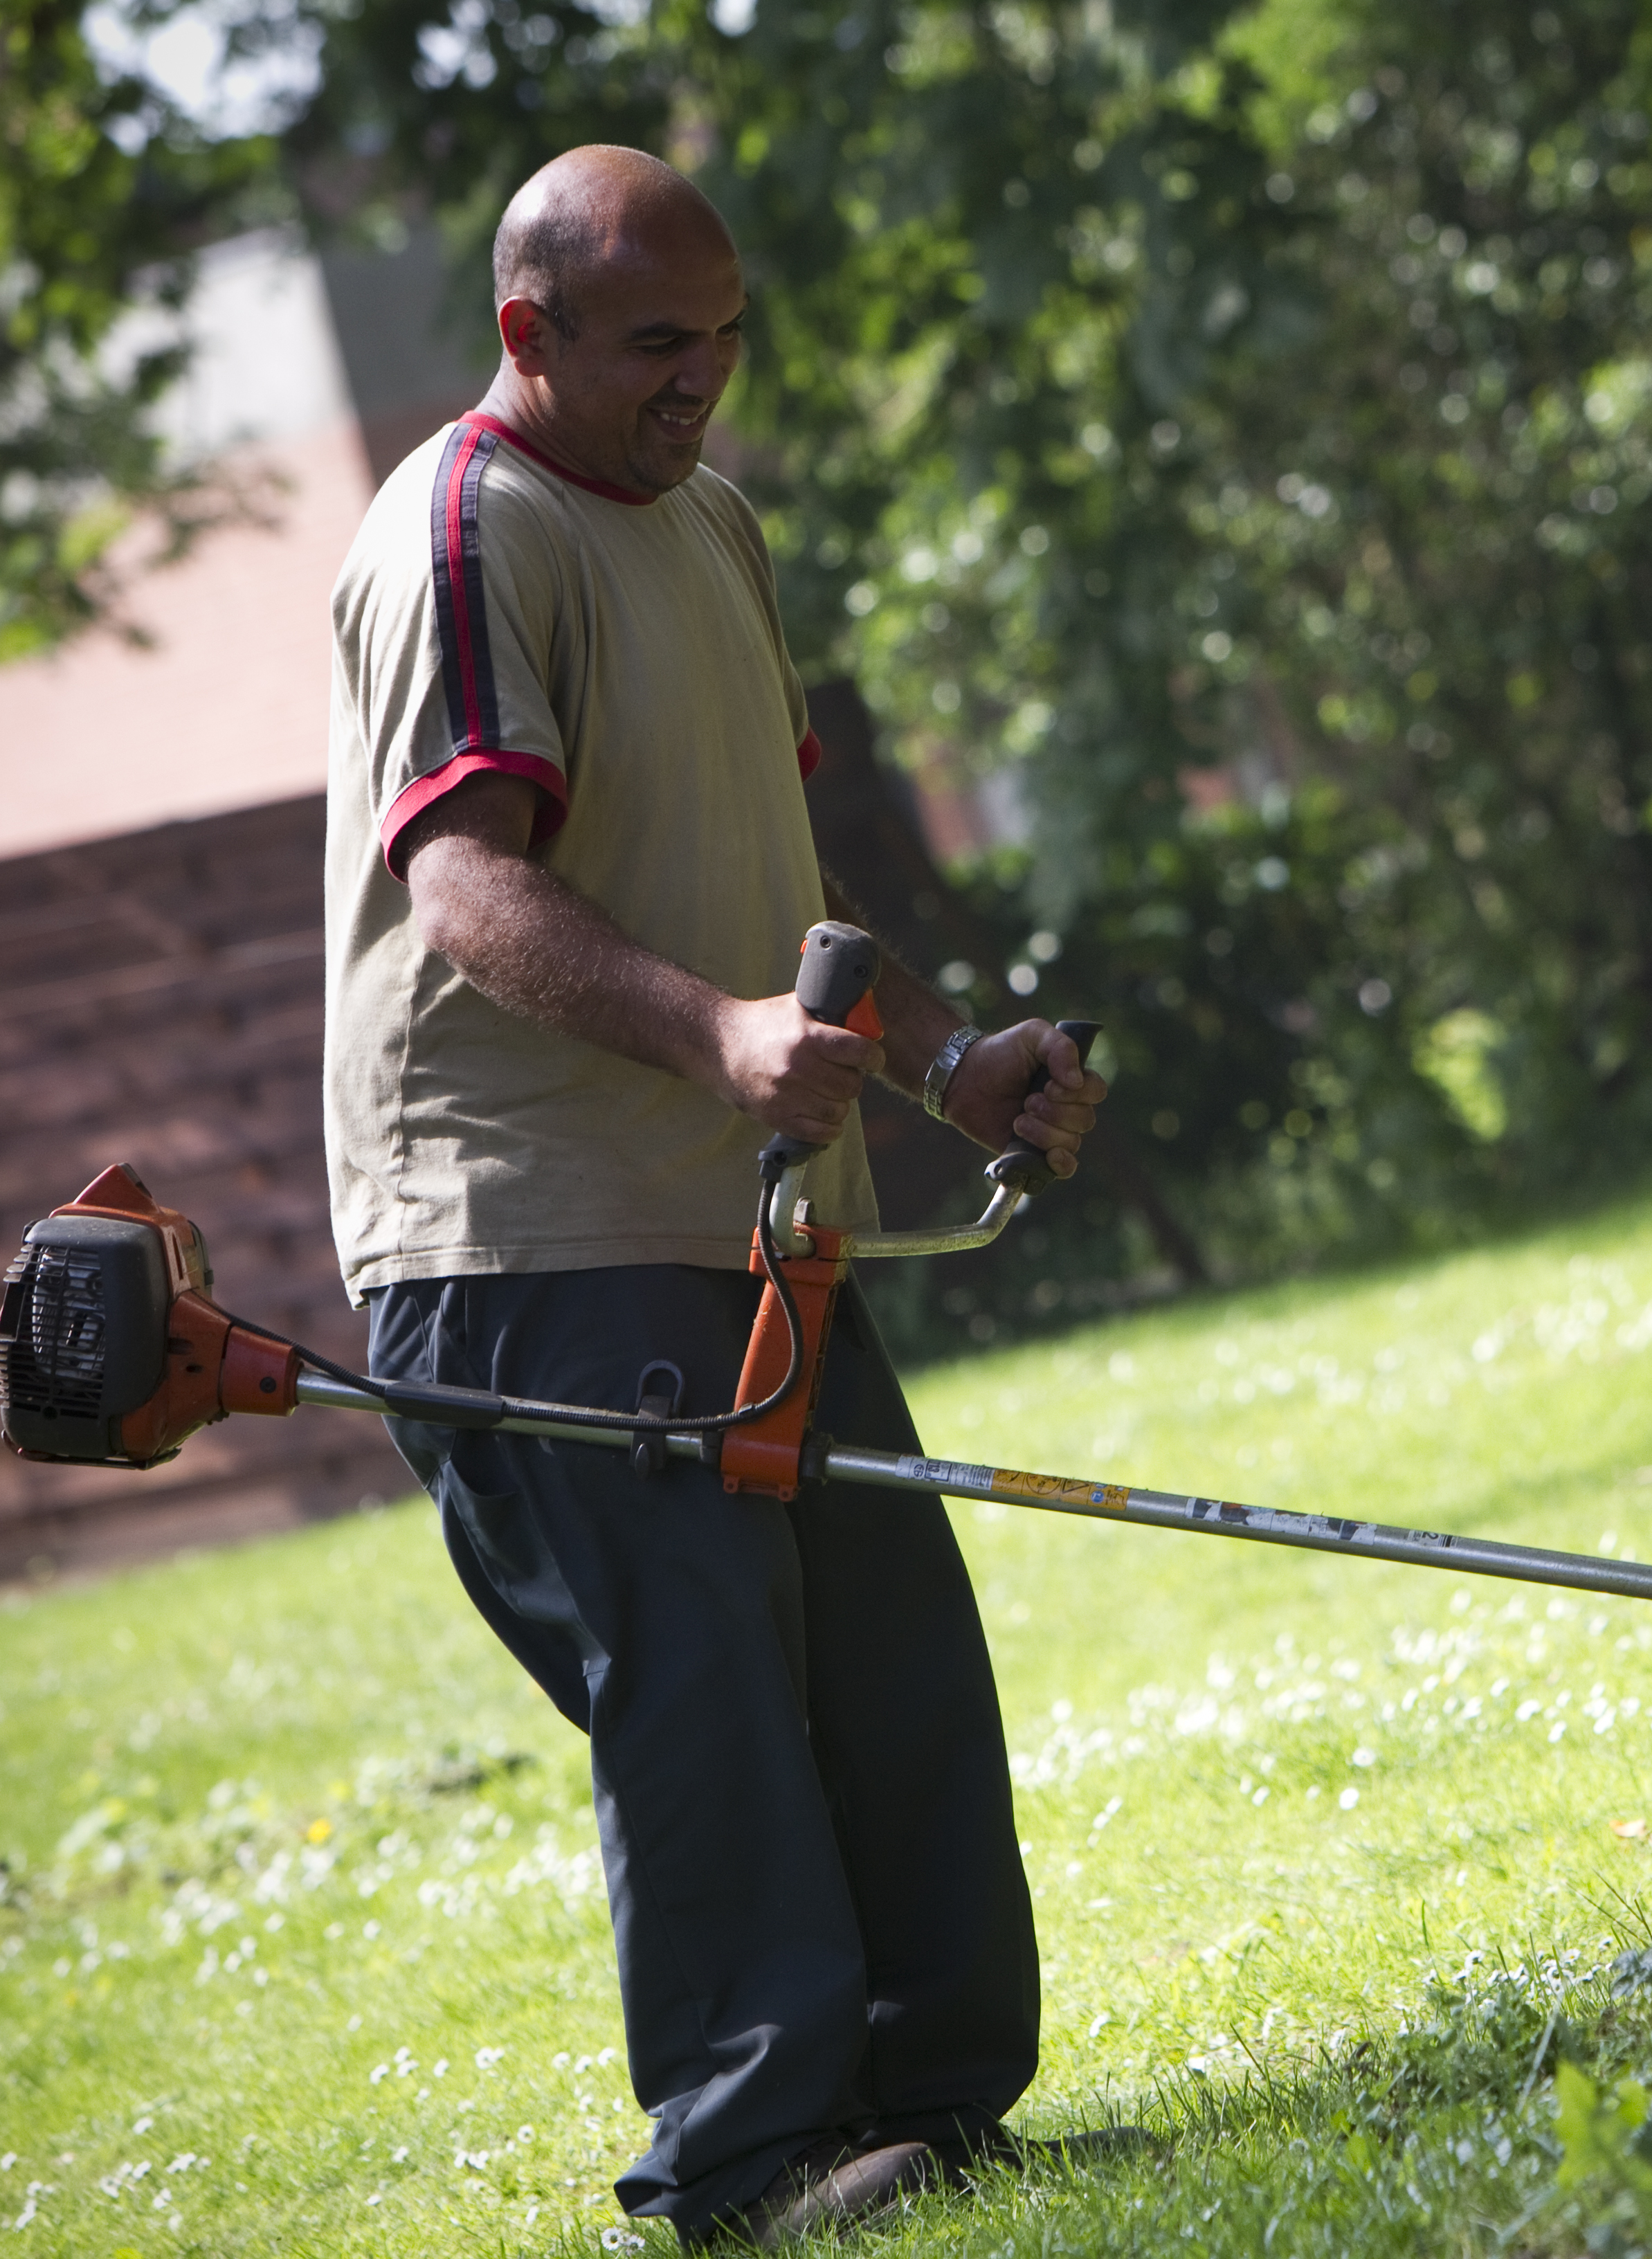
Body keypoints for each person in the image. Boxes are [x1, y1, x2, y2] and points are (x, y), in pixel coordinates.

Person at [321, 145, 1107, 2248]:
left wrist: (947, 1066)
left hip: (758, 1218)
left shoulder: (715, 522)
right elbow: (470, 884)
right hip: (533, 1234)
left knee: (888, 1660)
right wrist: (723, 1044)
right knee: (704, 1690)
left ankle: (935, 2108)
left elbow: (789, 889)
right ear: (530, 335)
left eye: (725, 336)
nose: (706, 382)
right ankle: (758, 2161)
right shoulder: (468, 528)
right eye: (662, 345)